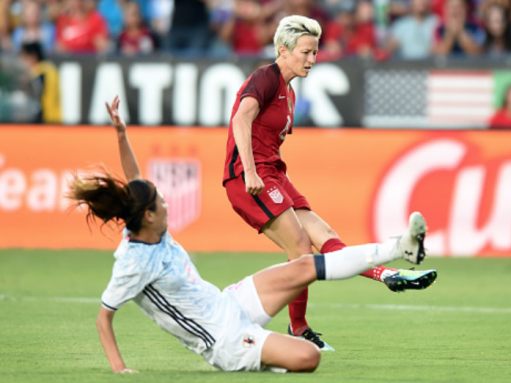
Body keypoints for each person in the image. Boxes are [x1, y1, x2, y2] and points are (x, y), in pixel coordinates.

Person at [68, 95, 438, 373]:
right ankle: (262, 355)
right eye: (162, 204)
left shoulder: (148, 225)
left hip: (230, 303)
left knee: (305, 263)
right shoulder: (133, 262)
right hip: (224, 341)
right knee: (308, 358)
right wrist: (120, 370)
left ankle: (400, 248)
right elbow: (104, 316)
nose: (168, 206)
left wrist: (120, 133)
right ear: (148, 216)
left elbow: (134, 182)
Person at [223, 14, 426, 351]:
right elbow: (241, 119)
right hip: (250, 177)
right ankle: (292, 329)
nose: (312, 60)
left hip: (275, 174)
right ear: (283, 50)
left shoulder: (289, 93)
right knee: (301, 251)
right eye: (305, 52)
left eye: (315, 52)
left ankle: (385, 275)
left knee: (326, 239)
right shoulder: (266, 78)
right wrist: (251, 170)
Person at [19, 41, 62, 123]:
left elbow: (35, 99)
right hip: (55, 117)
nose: (22, 62)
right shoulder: (50, 68)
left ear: (32, 57)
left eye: (24, 58)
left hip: (46, 120)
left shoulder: (39, 72)